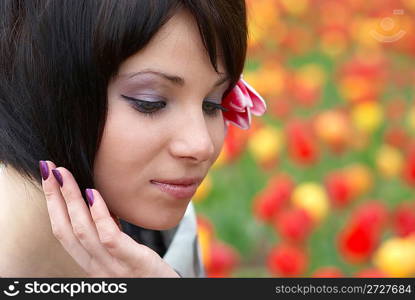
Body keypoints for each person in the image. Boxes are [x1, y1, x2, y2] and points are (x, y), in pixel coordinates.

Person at [0, 0, 266, 277]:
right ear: (44, 89)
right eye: (151, 102)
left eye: (213, 104)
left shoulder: (164, 239)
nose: (202, 145)